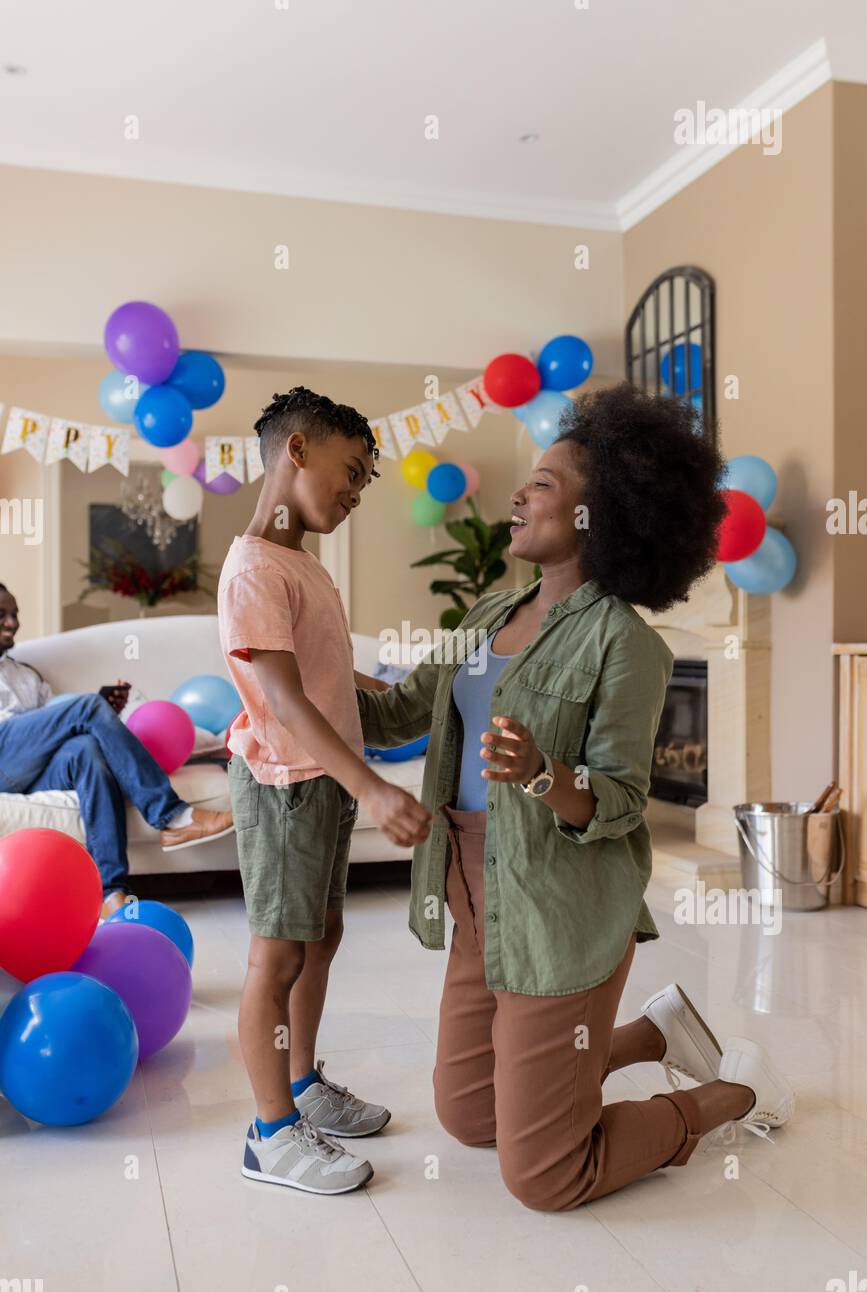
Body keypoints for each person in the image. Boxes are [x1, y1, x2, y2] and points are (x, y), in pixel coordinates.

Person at [356, 382, 795, 1212]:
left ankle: (735, 1093)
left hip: (560, 910)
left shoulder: (626, 644)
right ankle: (654, 1035)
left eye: (544, 484)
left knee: (546, 1176)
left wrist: (541, 775)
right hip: (476, 899)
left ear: (603, 518)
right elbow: (393, 712)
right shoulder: (487, 612)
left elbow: (623, 800)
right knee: (468, 1115)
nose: (518, 495)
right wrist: (293, 667)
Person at [218, 386, 431, 1196]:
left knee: (321, 937)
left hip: (319, 785)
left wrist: (415, 691)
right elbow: (282, 700)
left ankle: (302, 1082)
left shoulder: (298, 562)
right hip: (285, 785)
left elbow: (329, 678)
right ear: (295, 451)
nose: (354, 491)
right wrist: (373, 789)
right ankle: (270, 1134)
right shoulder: (252, 567)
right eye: (349, 471)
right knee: (275, 958)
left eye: (365, 481)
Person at [0, 584, 234, 919]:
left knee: (87, 750)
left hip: (32, 767)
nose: (11, 623)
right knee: (88, 707)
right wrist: (89, 708)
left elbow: (53, 721)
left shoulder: (25, 673)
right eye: (1, 616)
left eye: (15, 614)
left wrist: (106, 706)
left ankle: (109, 891)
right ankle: (172, 816)